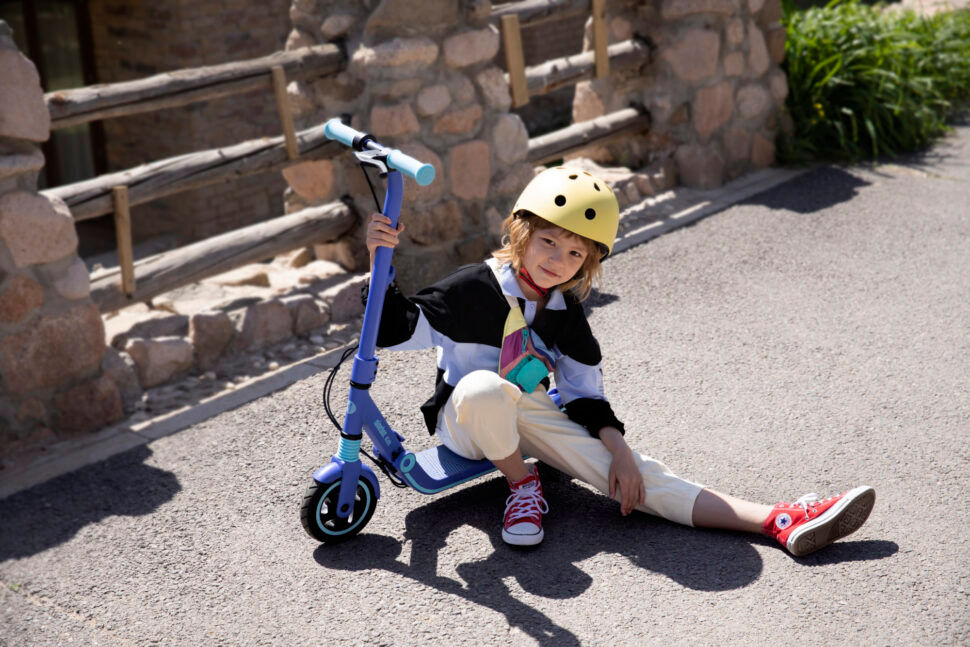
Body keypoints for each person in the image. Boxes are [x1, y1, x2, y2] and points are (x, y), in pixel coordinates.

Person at [363, 166, 875, 554]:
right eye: (548, 242)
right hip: (467, 422)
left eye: (575, 254)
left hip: (529, 417)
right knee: (484, 388)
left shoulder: (564, 311)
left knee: (631, 474)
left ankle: (775, 520)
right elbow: (393, 330)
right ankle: (523, 485)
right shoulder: (473, 288)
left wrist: (621, 450)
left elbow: (585, 394)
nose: (557, 261)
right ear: (521, 233)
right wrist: (378, 264)